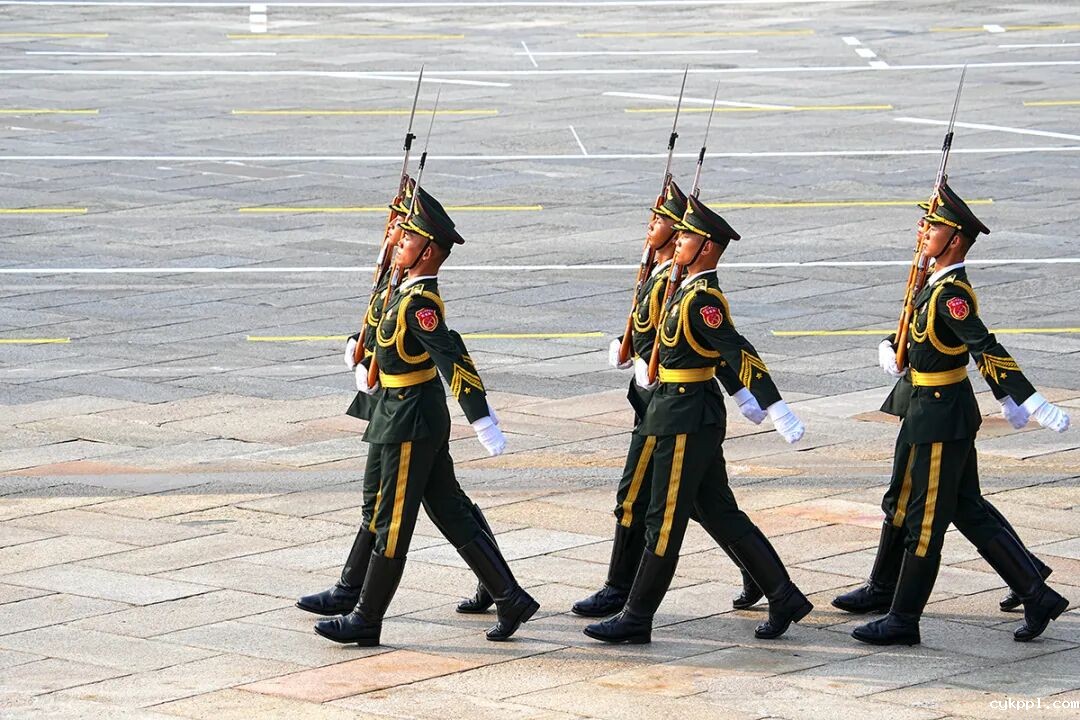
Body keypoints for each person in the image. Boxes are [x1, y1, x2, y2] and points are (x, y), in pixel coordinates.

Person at [312, 189, 539, 646]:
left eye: (408, 238)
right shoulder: (400, 292)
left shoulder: (421, 304)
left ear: (429, 250)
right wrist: (360, 354)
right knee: (447, 509)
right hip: (396, 413)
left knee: (392, 518)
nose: (398, 242)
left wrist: (482, 418)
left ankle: (367, 617)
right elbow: (380, 333)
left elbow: (453, 358)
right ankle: (510, 597)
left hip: (411, 420)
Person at [584, 195, 811, 644]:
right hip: (674, 409)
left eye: (687, 235)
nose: (679, 240)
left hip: (686, 415)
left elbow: (736, 349)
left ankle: (637, 615)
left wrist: (771, 403)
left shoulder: (702, 297)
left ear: (706, 247)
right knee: (717, 511)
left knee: (663, 517)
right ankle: (784, 595)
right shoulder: (681, 288)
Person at [851, 183, 1071, 646]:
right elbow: (924, 341)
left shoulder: (953, 294)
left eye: (932, 226)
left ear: (953, 239)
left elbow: (983, 346)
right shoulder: (929, 282)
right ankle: (1036, 592)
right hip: (923, 410)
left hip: (940, 418)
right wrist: (894, 351)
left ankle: (904, 618)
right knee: (965, 507)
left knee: (926, 519)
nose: (922, 230)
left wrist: (1027, 399)